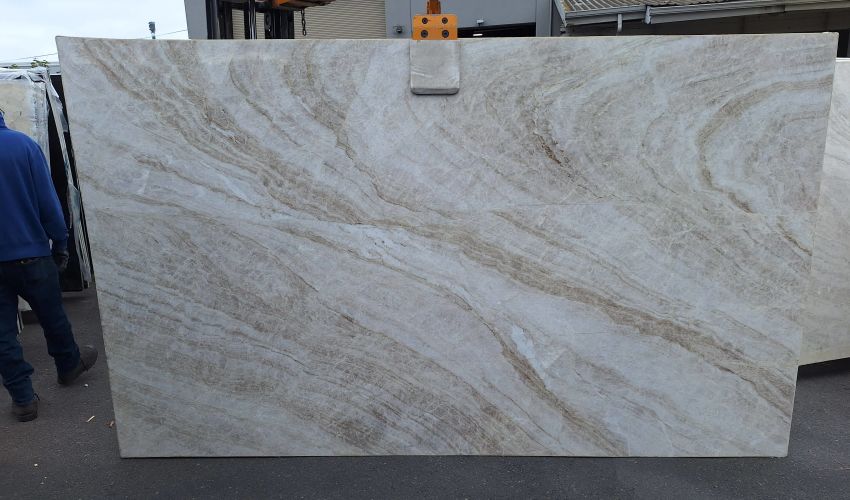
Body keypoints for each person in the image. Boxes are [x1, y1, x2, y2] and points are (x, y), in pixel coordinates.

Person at [0, 106, 97, 422]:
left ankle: (23, 399)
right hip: (32, 254)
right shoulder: (22, 145)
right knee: (52, 315)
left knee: (2, 335)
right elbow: (47, 199)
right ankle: (68, 365)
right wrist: (60, 241)